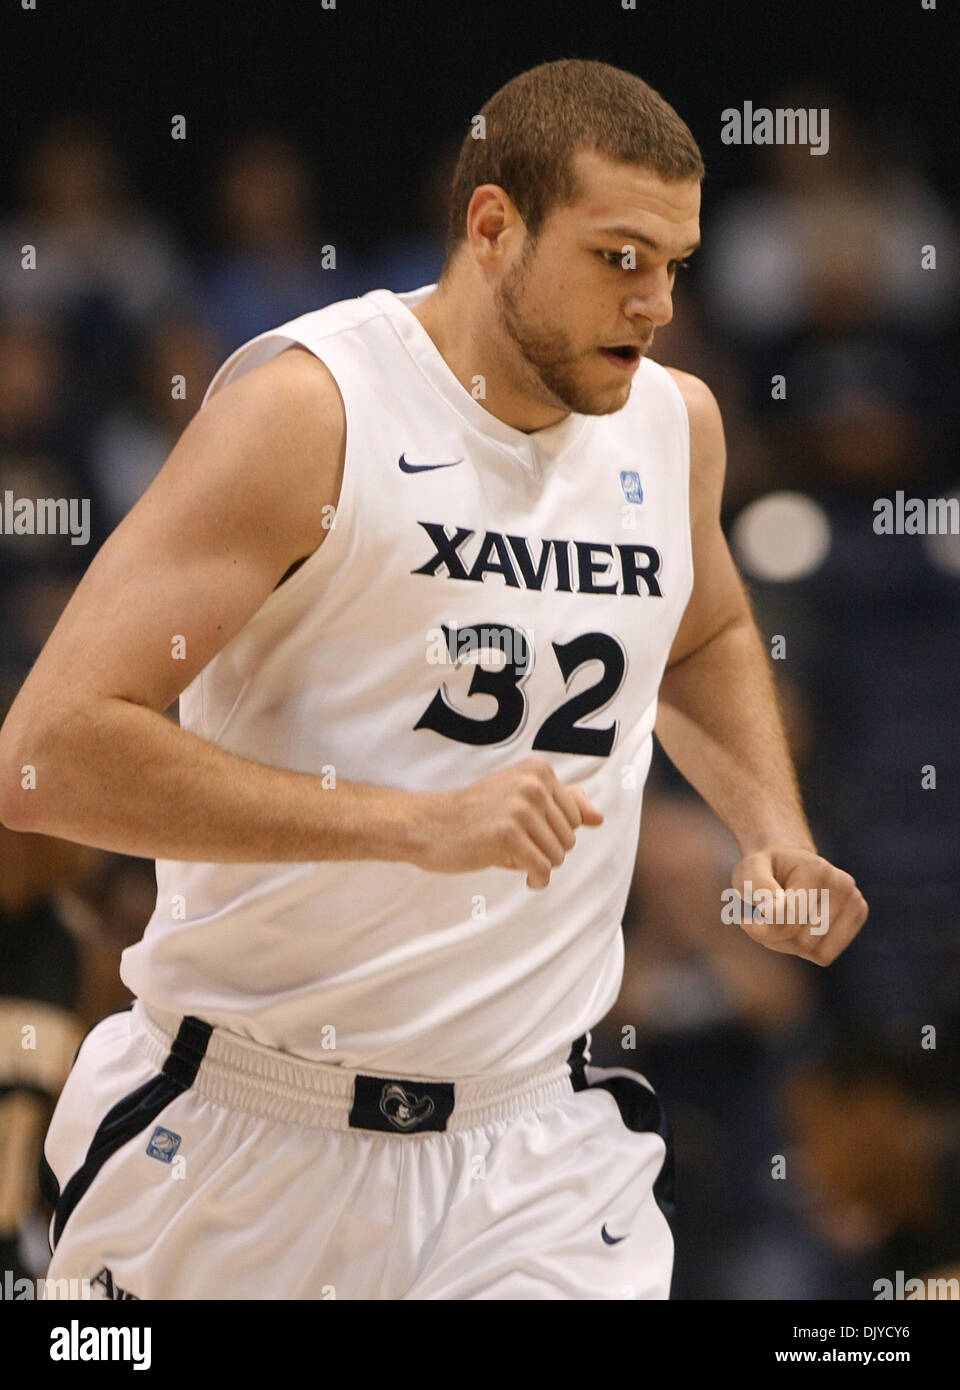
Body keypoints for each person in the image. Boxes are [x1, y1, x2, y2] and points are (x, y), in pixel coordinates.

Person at [0, 59, 867, 1301]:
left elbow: (706, 631)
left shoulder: (675, 425)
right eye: (621, 257)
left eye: (675, 263)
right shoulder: (311, 409)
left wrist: (771, 833)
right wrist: (415, 827)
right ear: (493, 226)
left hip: (535, 1156)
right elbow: (47, 757)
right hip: (247, 1132)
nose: (659, 302)